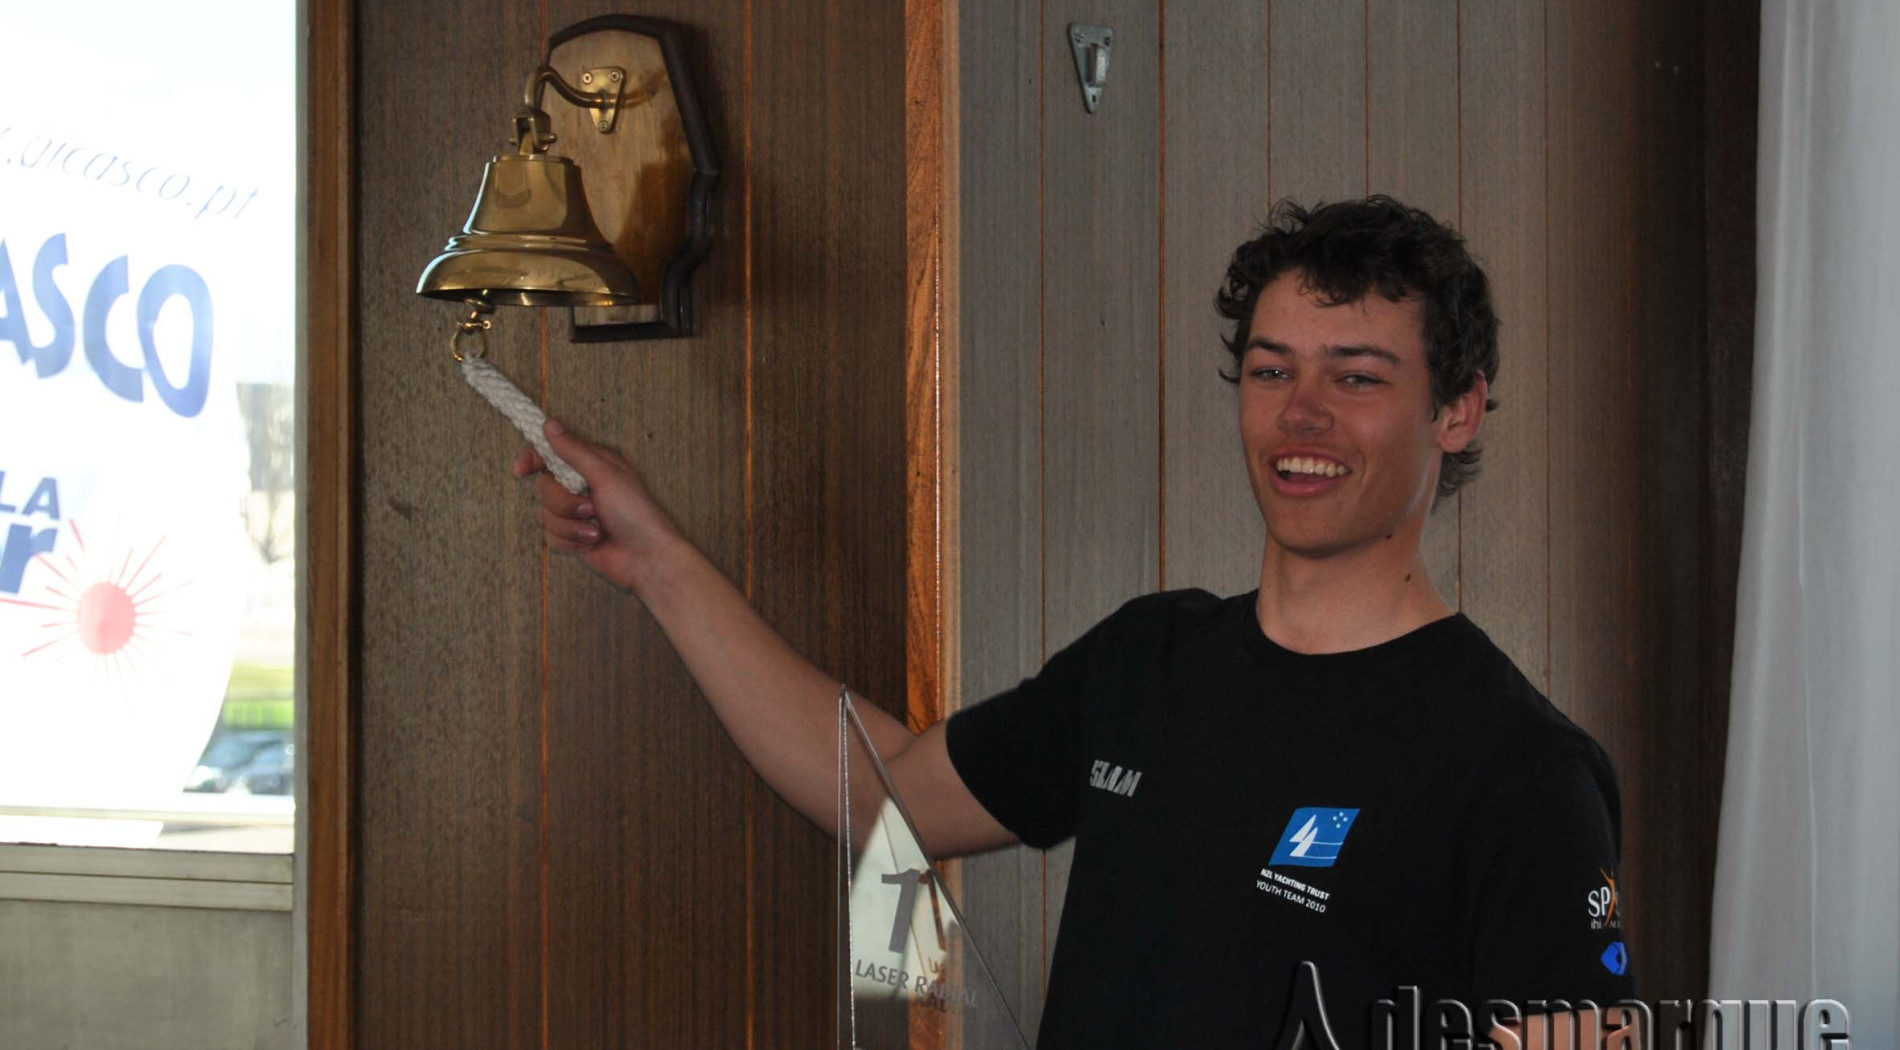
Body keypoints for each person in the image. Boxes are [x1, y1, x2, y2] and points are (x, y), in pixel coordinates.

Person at [513, 196, 1635, 1049]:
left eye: (1357, 379)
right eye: (1270, 370)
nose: (1300, 415)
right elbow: (885, 799)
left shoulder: (1519, 770)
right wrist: (654, 562)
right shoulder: (1148, 659)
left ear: (1457, 410)